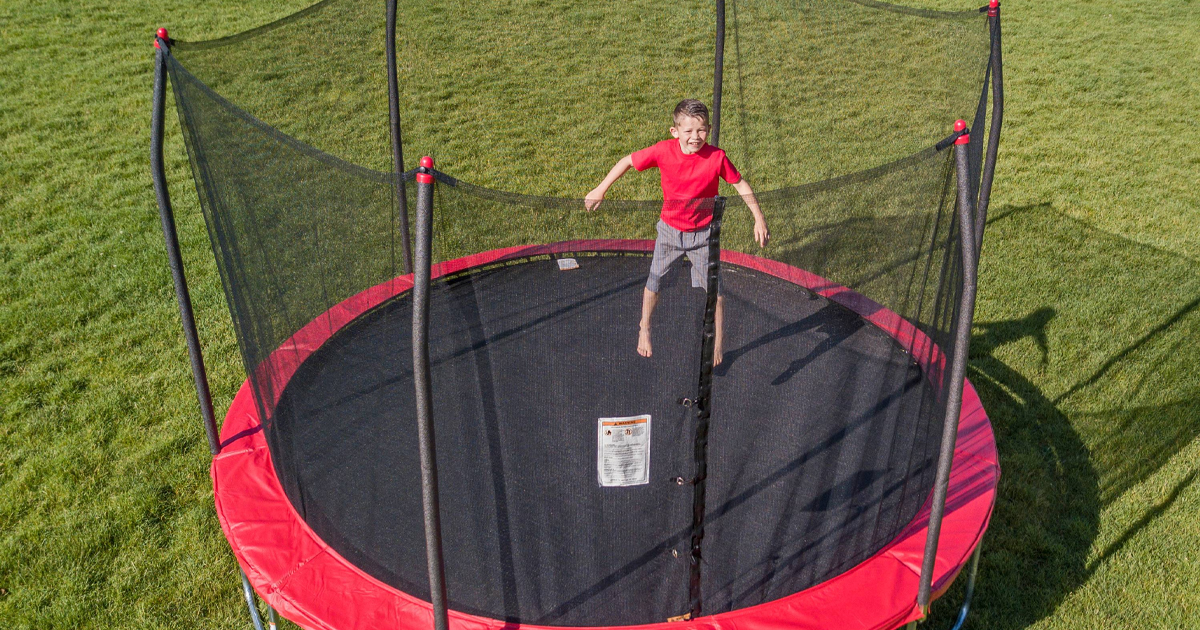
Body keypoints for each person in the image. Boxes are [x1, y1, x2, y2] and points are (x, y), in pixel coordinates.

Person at [585, 99, 768, 365]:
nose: (696, 137)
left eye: (702, 130)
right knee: (654, 282)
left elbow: (739, 184)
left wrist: (758, 218)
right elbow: (627, 161)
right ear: (675, 132)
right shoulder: (663, 151)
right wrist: (601, 189)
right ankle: (644, 327)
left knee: (716, 292)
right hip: (670, 232)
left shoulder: (716, 157)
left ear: (709, 129)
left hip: (703, 236)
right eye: (689, 131)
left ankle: (717, 343)